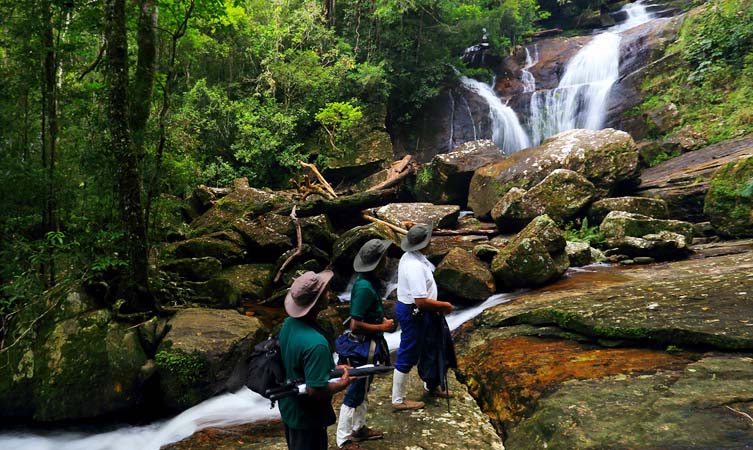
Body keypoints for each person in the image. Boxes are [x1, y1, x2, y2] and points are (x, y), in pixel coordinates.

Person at [279, 270, 352, 450]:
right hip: (307, 418)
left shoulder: (289, 324)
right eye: (325, 292)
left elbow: (297, 363)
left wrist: (332, 369)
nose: (329, 294)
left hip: (289, 406)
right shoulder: (316, 343)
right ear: (317, 303)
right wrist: (342, 384)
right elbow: (316, 391)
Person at [336, 239, 395, 450]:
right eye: (384, 257)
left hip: (368, 346)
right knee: (354, 390)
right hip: (360, 347)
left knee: (363, 388)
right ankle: (343, 439)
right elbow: (355, 324)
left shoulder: (368, 281)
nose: (387, 260)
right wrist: (383, 327)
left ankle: (359, 428)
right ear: (378, 262)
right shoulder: (364, 288)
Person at [391, 223, 454, 411]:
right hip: (415, 313)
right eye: (429, 240)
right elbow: (420, 301)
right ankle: (398, 399)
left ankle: (432, 384)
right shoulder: (414, 266)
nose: (431, 242)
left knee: (432, 346)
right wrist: (444, 306)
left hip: (424, 312)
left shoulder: (414, 257)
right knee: (408, 352)